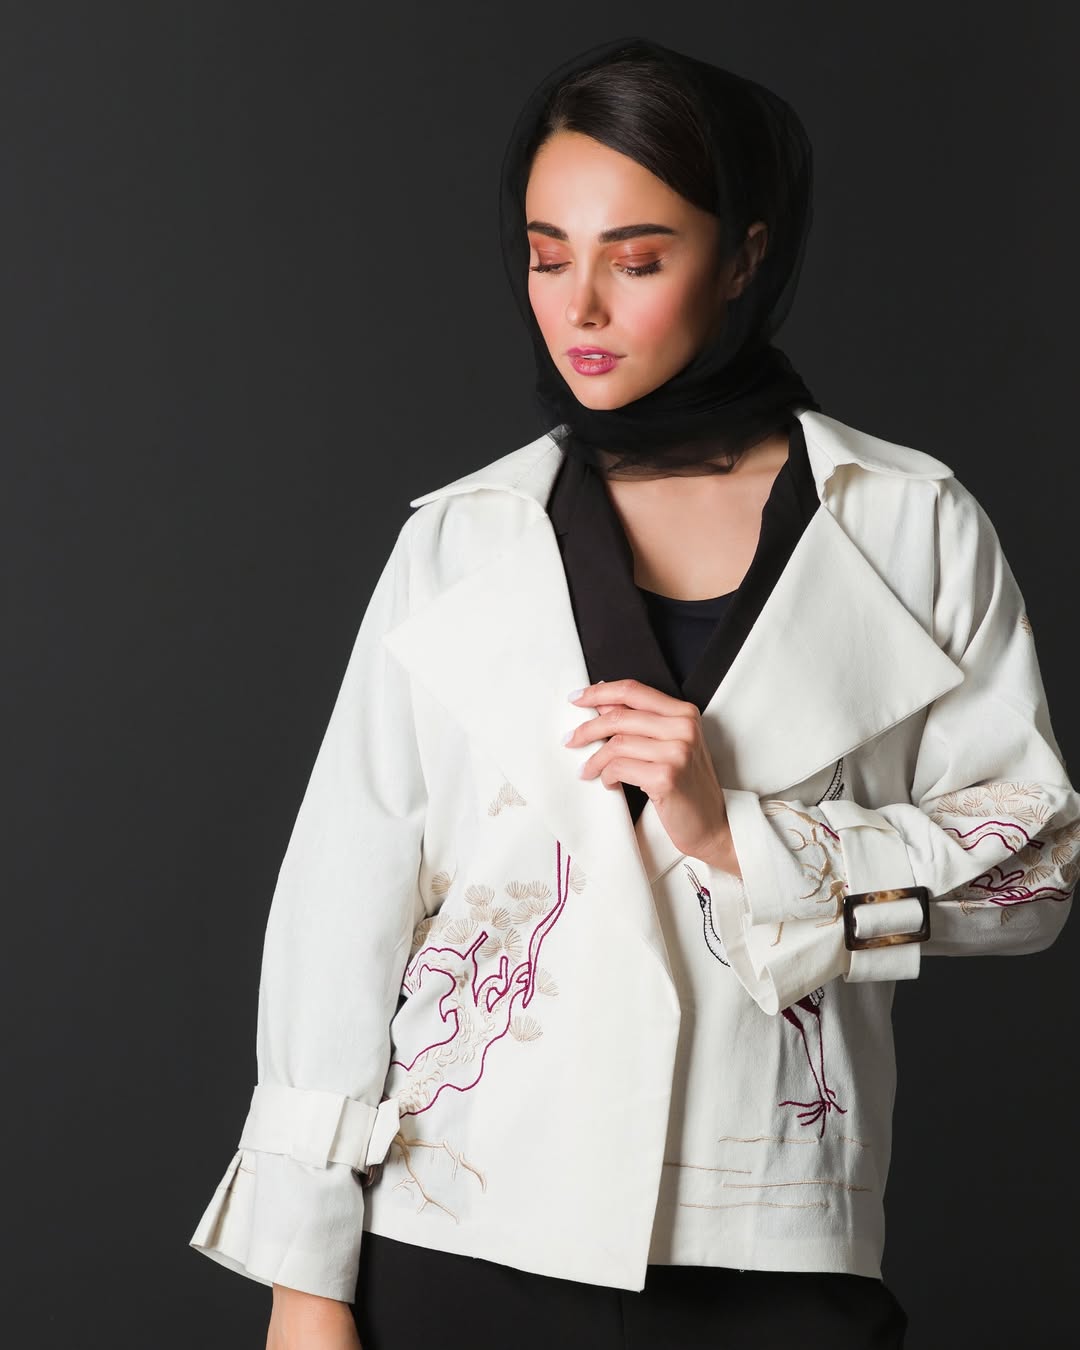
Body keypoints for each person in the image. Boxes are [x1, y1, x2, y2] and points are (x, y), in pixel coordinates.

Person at [188, 35, 1078, 1350]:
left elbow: (1039, 870)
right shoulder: (464, 537)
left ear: (744, 257)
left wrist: (747, 839)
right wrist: (305, 1281)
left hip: (770, 1238)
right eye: (549, 257)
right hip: (457, 1230)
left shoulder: (909, 524)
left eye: (638, 259)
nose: (581, 308)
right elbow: (344, 905)